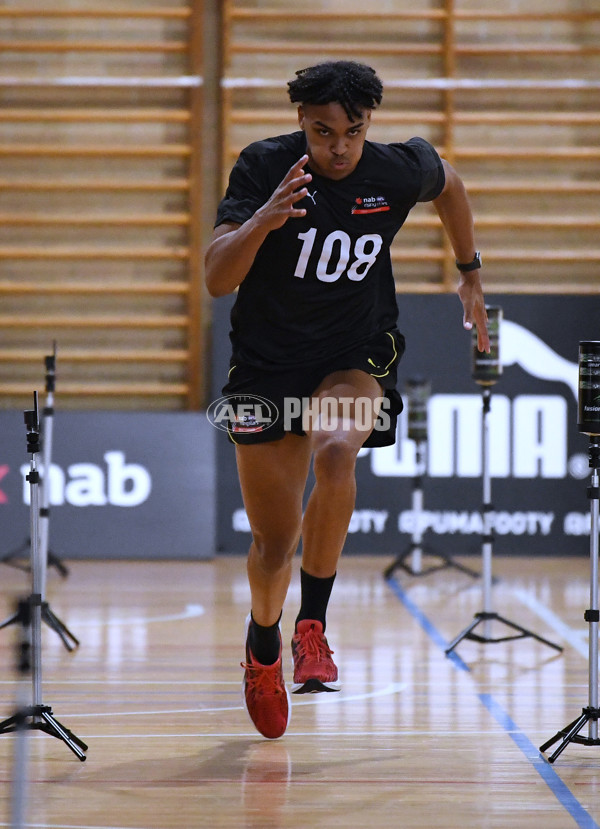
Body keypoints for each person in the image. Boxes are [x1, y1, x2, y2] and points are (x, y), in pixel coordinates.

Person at [205, 60, 490, 740]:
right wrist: (263, 221)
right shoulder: (264, 167)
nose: (337, 147)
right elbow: (218, 277)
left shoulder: (393, 170)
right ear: (300, 122)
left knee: (337, 448)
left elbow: (449, 183)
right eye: (322, 131)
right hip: (268, 365)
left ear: (369, 127)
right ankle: (264, 642)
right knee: (273, 544)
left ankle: (314, 625)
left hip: (353, 353)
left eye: (351, 132)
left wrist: (470, 271)